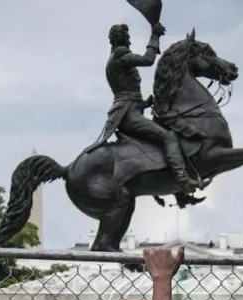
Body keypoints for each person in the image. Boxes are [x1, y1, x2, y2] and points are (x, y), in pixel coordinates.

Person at [84, 23, 201, 192]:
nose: (130, 40)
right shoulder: (121, 56)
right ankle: (183, 181)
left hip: (127, 112)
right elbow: (148, 60)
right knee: (168, 137)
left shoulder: (113, 60)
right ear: (121, 38)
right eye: (127, 36)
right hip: (129, 116)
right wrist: (155, 36)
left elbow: (126, 93)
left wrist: (145, 103)